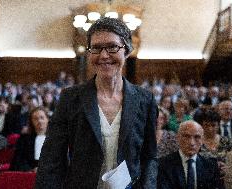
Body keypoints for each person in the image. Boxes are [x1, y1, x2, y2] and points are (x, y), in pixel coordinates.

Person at [35, 17, 158, 189]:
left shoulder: (145, 100)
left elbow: (149, 157)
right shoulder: (70, 98)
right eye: (96, 48)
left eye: (112, 47)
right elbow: (51, 160)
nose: (104, 55)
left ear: (127, 50)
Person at [157, 120, 223, 189]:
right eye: (186, 136)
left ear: (202, 140)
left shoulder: (211, 165)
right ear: (178, 138)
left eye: (197, 137)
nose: (192, 143)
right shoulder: (163, 164)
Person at [10, 106, 49, 172]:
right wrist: (30, 170)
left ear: (47, 119)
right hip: (29, 174)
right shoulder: (24, 139)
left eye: (42, 118)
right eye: (35, 119)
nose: (39, 121)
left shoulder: (56, 139)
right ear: (31, 122)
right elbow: (18, 160)